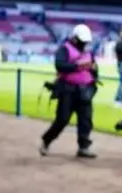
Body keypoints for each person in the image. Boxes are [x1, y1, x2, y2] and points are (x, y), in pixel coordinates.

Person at [39, 24, 99, 159]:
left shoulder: (88, 52)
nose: (84, 44)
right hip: (68, 90)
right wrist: (78, 66)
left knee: (86, 120)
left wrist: (94, 73)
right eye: (82, 41)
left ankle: (84, 147)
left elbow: (94, 67)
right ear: (75, 38)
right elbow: (60, 65)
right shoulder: (64, 49)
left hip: (85, 90)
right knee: (62, 119)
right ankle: (46, 141)